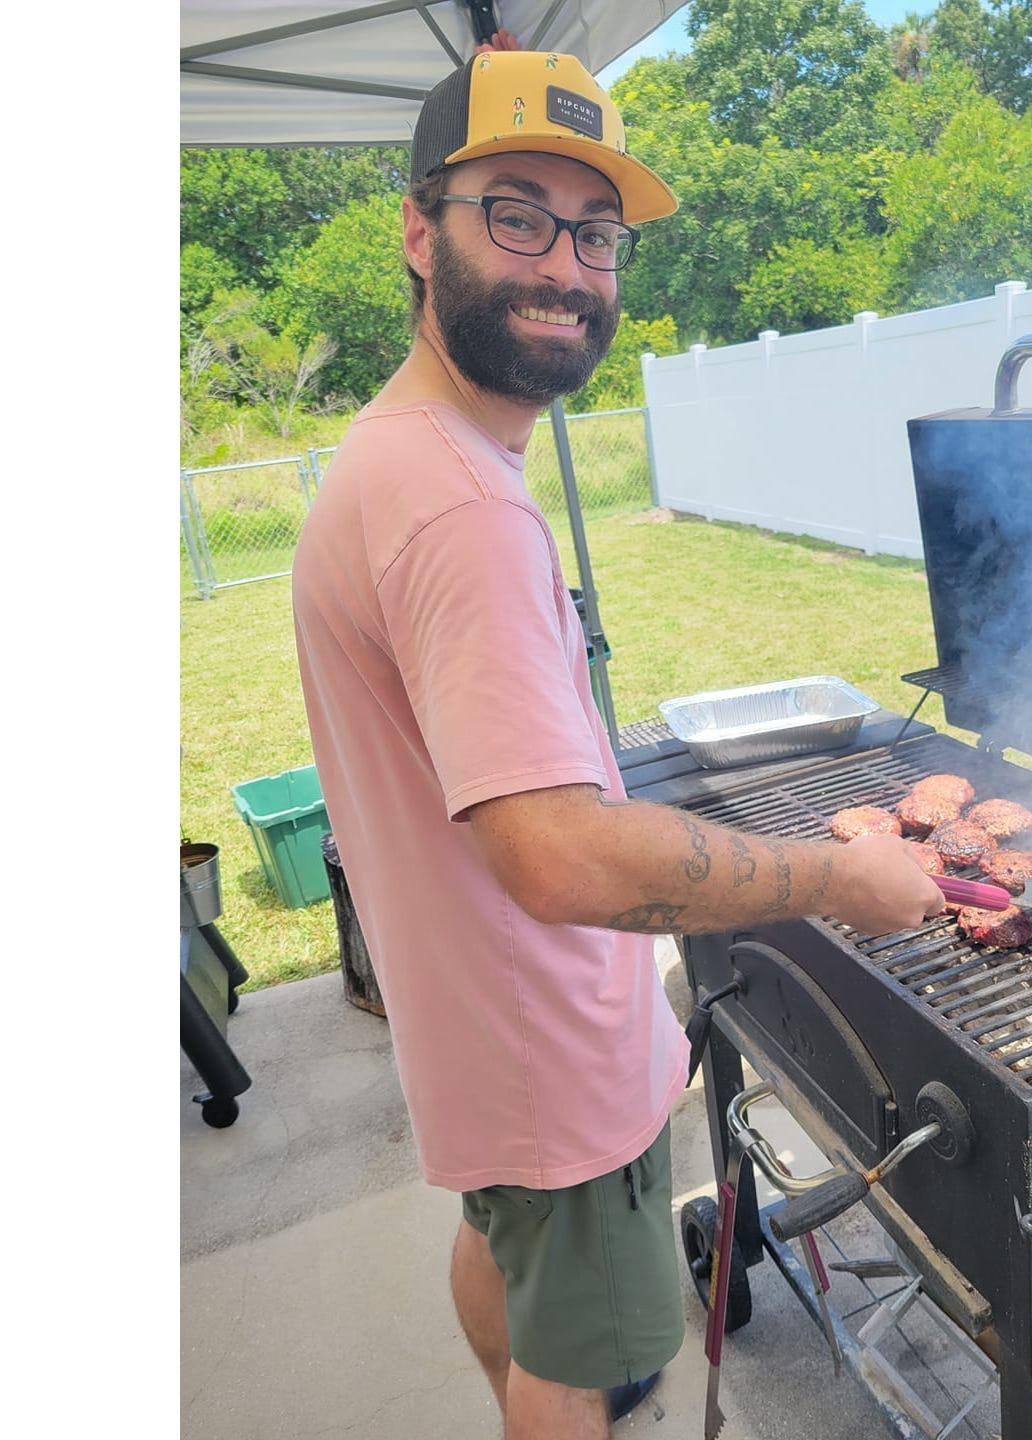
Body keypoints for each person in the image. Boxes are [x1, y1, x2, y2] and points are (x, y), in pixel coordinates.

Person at [290, 37, 946, 1440]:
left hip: (475, 1032)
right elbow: (562, 862)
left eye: (594, 234)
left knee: (514, 1254)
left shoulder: (403, 453)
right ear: (419, 230)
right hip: (549, 1054)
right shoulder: (459, 507)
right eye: (515, 214)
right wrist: (837, 880)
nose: (563, 266)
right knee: (590, 1359)